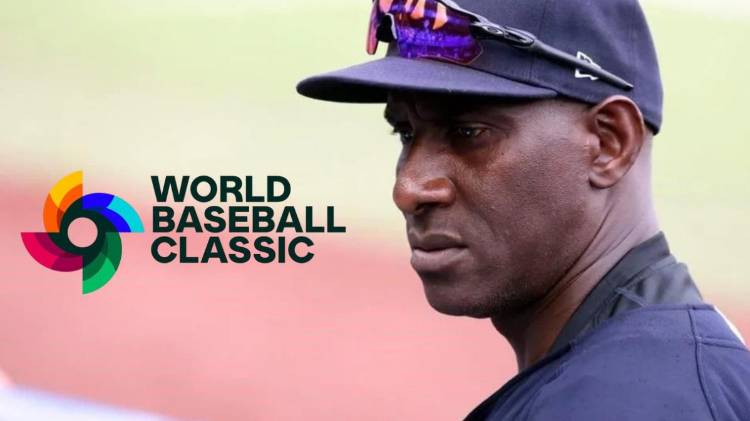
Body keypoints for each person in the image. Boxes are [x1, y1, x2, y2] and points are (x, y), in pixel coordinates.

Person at [296, 0, 750, 419]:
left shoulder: (625, 401)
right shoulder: (655, 363)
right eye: (406, 133)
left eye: (468, 133)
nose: (409, 188)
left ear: (609, 143)